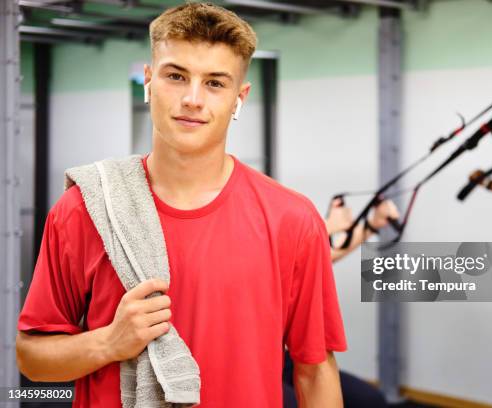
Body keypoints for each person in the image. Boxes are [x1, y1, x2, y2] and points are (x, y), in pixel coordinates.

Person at [15, 3, 346, 407]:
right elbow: (32, 359)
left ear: (239, 98)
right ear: (149, 82)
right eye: (176, 76)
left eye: (215, 83)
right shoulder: (84, 209)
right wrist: (108, 342)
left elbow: (314, 369)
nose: (192, 99)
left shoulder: (292, 219)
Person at [284, 197, 400, 407]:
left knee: (369, 400)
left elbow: (311, 258)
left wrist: (371, 225)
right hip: (249, 365)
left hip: (284, 358)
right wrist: (323, 226)